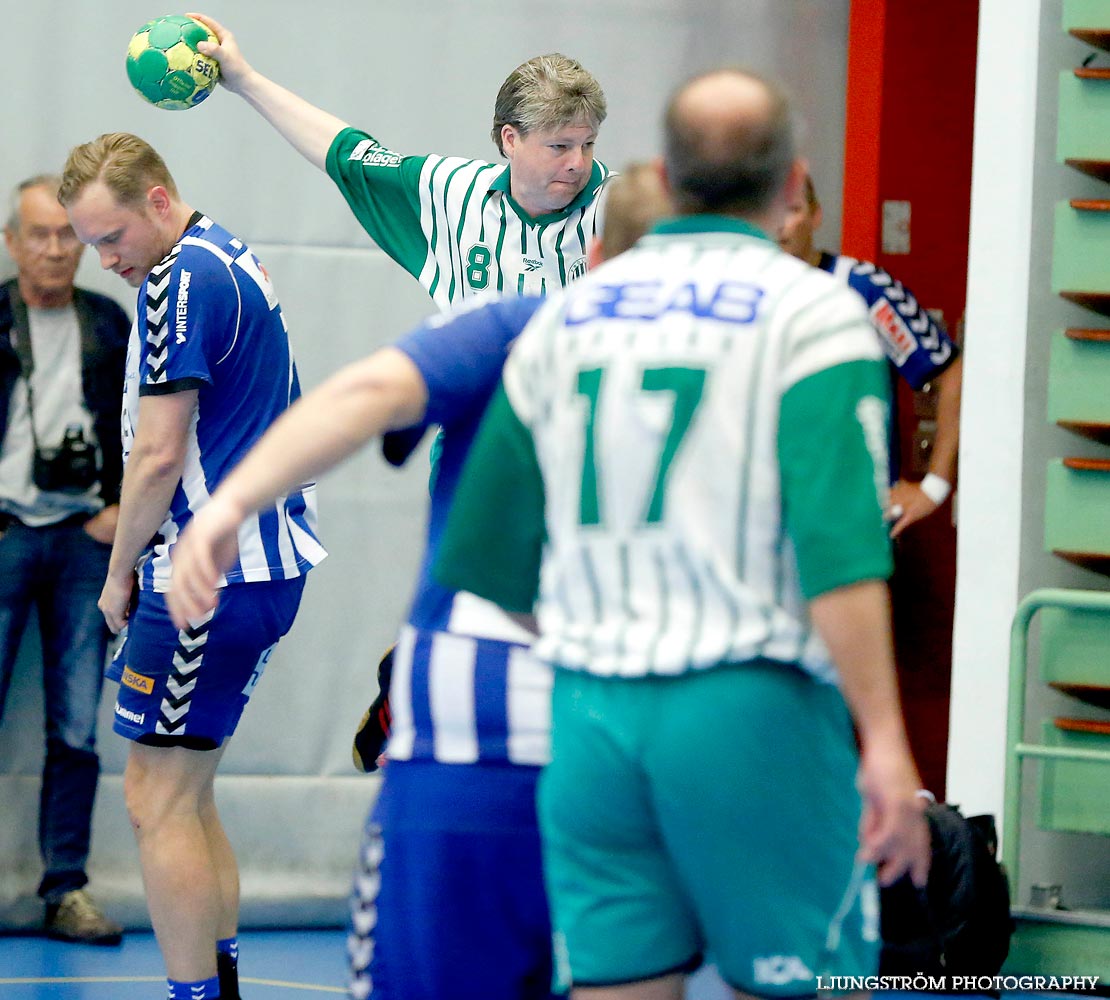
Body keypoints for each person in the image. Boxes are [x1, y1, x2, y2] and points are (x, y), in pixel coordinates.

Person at [434, 69, 932, 1000]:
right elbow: (842, 559)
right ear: (792, 185)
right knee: (802, 984)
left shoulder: (566, 318)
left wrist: (597, 639)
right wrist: (887, 744)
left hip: (589, 716)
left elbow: (489, 559)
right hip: (751, 707)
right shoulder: (813, 313)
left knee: (620, 986)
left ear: (663, 173)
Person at [165, 164, 670, 1000]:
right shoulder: (757, 370)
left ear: (592, 250)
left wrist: (230, 507)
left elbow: (367, 394)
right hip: (635, 730)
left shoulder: (518, 326)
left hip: (481, 731)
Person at [59, 133, 326, 1000]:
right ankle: (219, 987)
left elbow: (160, 454)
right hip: (256, 564)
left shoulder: (182, 278)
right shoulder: (222, 252)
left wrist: (116, 573)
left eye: (112, 238)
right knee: (190, 792)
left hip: (208, 573)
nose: (105, 262)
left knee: (154, 799)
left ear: (160, 202)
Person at [190, 13, 612, 310]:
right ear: (510, 139)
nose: (579, 163)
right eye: (559, 147)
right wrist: (246, 81)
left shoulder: (618, 205)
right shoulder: (450, 192)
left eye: (588, 144)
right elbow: (344, 152)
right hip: (476, 430)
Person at [0, 175, 129, 945]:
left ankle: (65, 890)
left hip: (86, 540)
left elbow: (151, 428)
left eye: (66, 234)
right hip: (8, 531)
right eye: (38, 234)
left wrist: (122, 511)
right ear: (12, 242)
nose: (54, 249)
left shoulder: (109, 321)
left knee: (78, 727)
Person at [779, 173, 963, 538]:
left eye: (792, 210)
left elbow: (952, 370)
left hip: (852, 523)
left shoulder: (862, 288)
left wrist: (935, 486)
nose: (779, 225)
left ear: (815, 216)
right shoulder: (739, 295)